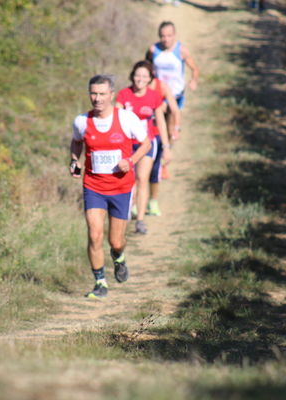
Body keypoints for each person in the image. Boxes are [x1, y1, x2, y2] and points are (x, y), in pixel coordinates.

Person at [70, 75, 151, 299]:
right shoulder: (81, 121)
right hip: (94, 186)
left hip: (121, 188)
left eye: (102, 94)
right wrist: (74, 161)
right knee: (95, 235)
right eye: (93, 94)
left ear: (111, 95)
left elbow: (146, 143)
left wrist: (131, 161)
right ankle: (100, 282)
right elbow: (77, 142)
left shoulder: (126, 119)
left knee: (115, 241)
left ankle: (119, 257)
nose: (97, 99)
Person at [116, 61, 171, 234]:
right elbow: (115, 118)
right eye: (137, 75)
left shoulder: (154, 96)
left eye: (144, 76)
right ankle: (123, 216)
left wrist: (167, 146)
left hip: (147, 143)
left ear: (150, 79)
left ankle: (140, 220)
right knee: (126, 180)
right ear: (132, 76)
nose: (140, 79)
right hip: (126, 144)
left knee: (141, 178)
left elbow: (161, 122)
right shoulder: (124, 94)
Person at [146, 20, 199, 142]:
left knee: (170, 124)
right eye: (163, 36)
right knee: (155, 124)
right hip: (159, 92)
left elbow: (195, 69)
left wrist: (193, 80)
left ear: (174, 35)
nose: (166, 39)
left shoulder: (181, 51)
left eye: (169, 35)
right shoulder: (153, 50)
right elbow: (146, 66)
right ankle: (158, 148)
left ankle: (167, 145)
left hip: (175, 93)